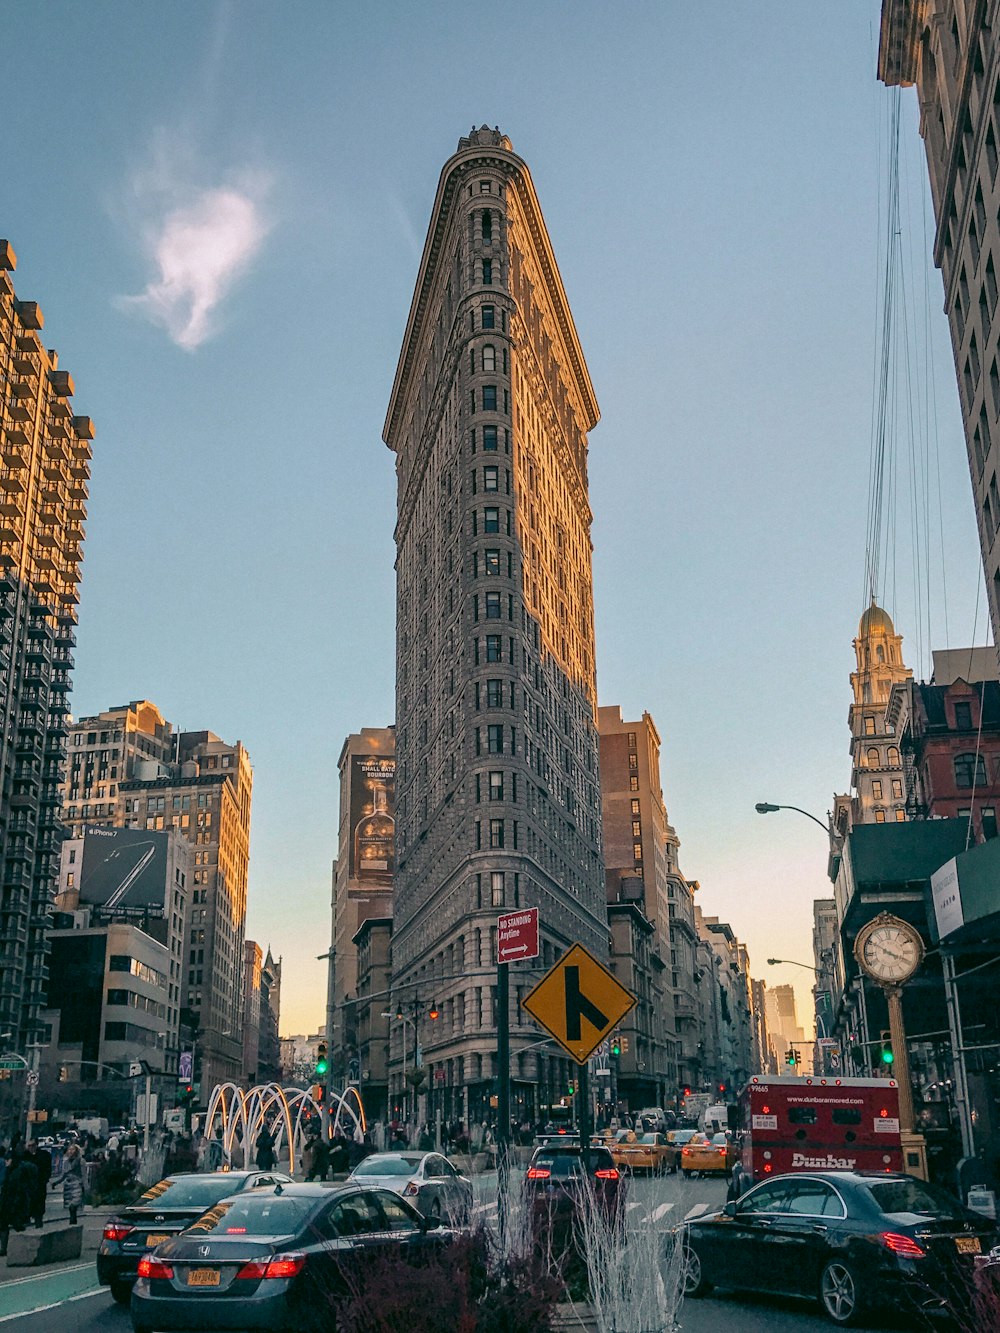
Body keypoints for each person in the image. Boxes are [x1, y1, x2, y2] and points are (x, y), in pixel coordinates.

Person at [0, 1151, 37, 1254]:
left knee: (17, 1225)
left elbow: (19, 1188)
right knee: (3, 1224)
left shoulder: (18, 1171)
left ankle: (22, 1245)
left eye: (8, 1160)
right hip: (8, 1201)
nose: (6, 1162)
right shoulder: (10, 1170)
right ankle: (4, 1248)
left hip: (15, 1202)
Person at [23, 1140, 51, 1229]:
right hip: (28, 1185)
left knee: (39, 1204)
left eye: (33, 1145)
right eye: (29, 1146)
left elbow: (47, 1169)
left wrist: (45, 1179)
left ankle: (38, 1221)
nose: (31, 1147)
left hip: (39, 1184)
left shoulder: (44, 1155)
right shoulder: (25, 1156)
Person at [62, 1144, 84, 1226]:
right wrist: (55, 1183)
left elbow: (84, 1174)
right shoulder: (65, 1162)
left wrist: (86, 1187)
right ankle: (73, 1222)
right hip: (68, 1186)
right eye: (69, 1149)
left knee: (74, 1205)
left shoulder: (80, 1161)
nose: (70, 1151)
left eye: (73, 1149)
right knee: (70, 1206)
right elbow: (63, 1174)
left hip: (77, 1184)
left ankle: (73, 1222)